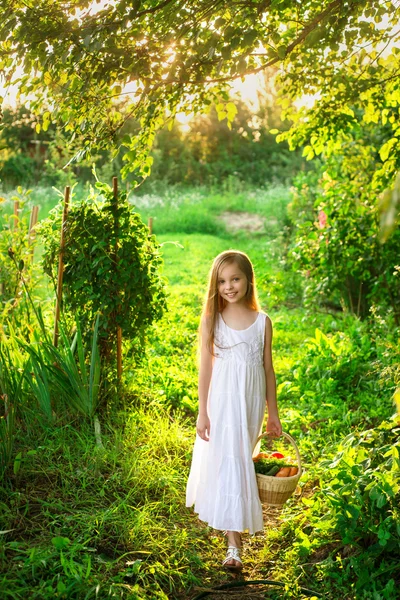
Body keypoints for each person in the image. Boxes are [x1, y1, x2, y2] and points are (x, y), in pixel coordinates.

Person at [186, 250, 282, 571]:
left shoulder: (262, 322)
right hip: (222, 403)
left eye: (235, 279)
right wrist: (203, 411)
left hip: (250, 402)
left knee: (241, 458)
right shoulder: (212, 320)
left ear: (248, 279)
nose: (229, 286)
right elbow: (205, 369)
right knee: (230, 461)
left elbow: (268, 370)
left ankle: (233, 525)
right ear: (216, 284)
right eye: (222, 281)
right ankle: (233, 546)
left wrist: (273, 414)